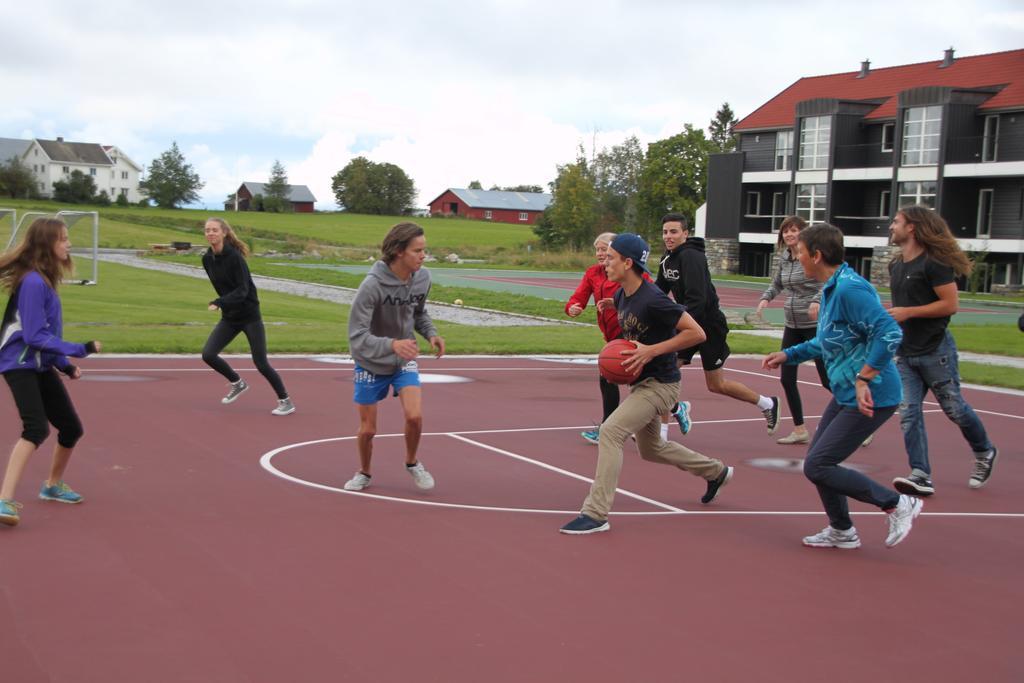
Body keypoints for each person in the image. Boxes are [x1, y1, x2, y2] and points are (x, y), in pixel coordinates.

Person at [560, 233, 732, 535]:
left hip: (662, 385)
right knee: (651, 449)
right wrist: (610, 305)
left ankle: (596, 513)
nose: (605, 261)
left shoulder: (654, 298)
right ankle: (716, 472)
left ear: (628, 262)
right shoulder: (625, 294)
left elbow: (697, 334)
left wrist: (650, 351)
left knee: (611, 432)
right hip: (642, 383)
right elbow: (630, 317)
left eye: (611, 257)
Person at [763, 223, 922, 549]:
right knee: (820, 462)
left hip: (873, 395)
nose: (798, 257)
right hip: (847, 392)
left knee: (818, 464)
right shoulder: (833, 289)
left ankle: (897, 503)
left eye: (801, 252)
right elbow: (828, 341)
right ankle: (842, 530)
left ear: (817, 255)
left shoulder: (850, 289)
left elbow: (889, 333)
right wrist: (788, 354)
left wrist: (865, 377)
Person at [887, 206, 997, 496]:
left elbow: (950, 305)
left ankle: (984, 451)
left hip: (936, 350)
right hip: (905, 352)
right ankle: (921, 474)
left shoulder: (933, 263)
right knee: (908, 413)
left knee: (955, 409)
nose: (891, 226)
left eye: (896, 222)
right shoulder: (896, 265)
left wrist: (909, 312)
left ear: (912, 228)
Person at [0, 217, 101, 527]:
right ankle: (4, 501)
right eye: (63, 239)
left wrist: (65, 366)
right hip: (18, 363)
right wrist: (78, 349)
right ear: (47, 244)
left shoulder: (43, 281)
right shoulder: (32, 282)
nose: (68, 244)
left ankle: (52, 486)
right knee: (36, 429)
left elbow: (44, 335)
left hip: (39, 363)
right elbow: (32, 336)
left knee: (71, 428)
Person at [656, 213, 781, 434]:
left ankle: (767, 404)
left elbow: (698, 299)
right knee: (664, 370)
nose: (668, 236)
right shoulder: (668, 259)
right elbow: (659, 291)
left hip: (709, 326)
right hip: (689, 323)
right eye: (665, 232)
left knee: (716, 385)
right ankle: (663, 432)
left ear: (685, 233)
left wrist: (676, 325)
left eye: (674, 231)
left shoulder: (692, 257)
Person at [344, 222, 445, 492]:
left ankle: (412, 463)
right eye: (418, 251)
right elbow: (357, 335)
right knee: (368, 430)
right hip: (370, 361)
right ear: (399, 251)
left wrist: (430, 334)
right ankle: (364, 472)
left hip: (404, 359)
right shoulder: (372, 286)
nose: (423, 256)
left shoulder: (423, 278)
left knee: (415, 417)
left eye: (425, 250)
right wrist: (391, 344)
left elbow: (419, 313)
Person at [566, 233, 691, 445]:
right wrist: (572, 308)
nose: (600, 254)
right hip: (612, 337)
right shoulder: (593, 274)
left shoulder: (637, 278)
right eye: (597, 249)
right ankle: (676, 409)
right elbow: (578, 297)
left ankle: (609, 426)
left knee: (616, 377)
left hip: (632, 336)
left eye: (605, 250)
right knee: (623, 379)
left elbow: (647, 295)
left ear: (622, 256)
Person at [201, 218, 294, 416]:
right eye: (207, 230)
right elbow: (222, 286)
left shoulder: (235, 258)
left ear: (224, 232)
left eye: (214, 230)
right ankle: (237, 382)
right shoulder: (207, 259)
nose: (210, 233)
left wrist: (220, 302)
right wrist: (224, 305)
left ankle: (285, 400)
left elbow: (243, 290)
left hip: (249, 315)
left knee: (260, 362)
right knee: (208, 354)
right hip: (230, 317)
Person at [756, 216, 829, 444]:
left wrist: (817, 301)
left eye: (794, 230)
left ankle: (861, 421)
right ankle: (800, 429)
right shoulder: (785, 258)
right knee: (787, 379)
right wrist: (766, 299)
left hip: (814, 326)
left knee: (828, 379)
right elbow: (776, 282)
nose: (788, 234)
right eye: (785, 231)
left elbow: (827, 281)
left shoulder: (813, 255)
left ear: (804, 233)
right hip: (792, 324)